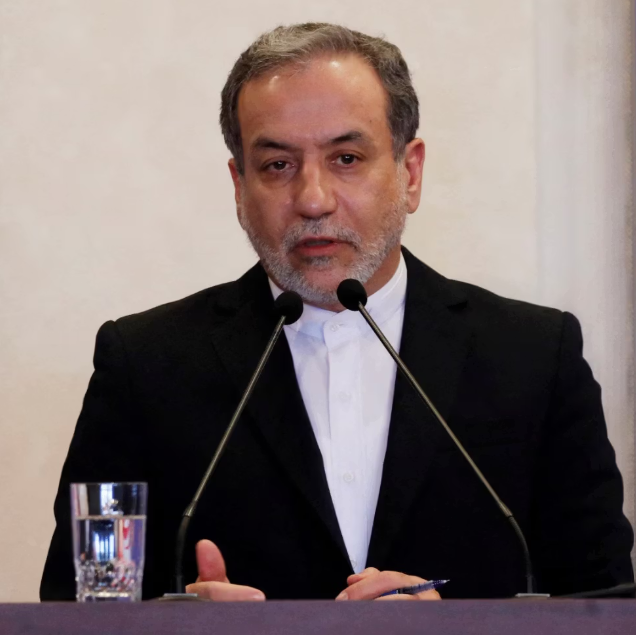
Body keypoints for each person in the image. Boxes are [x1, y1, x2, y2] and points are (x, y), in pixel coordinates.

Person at [40, 23, 634, 602]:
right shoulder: (145, 366)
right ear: (239, 186)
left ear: (410, 173)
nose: (313, 199)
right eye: (277, 165)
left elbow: (605, 604)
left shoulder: (533, 357)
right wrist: (182, 627)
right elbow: (83, 604)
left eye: (346, 158)